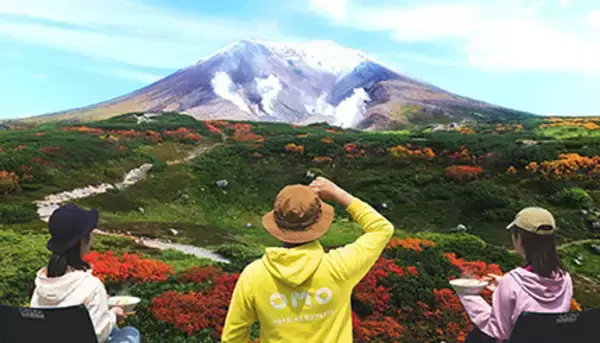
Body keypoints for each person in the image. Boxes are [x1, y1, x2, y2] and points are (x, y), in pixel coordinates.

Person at [221, 177, 394, 342]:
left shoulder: (254, 275)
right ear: (318, 223)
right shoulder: (339, 267)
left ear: (276, 223)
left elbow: (233, 337)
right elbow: (382, 229)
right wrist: (337, 193)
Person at [30, 204, 141, 343]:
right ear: (83, 240)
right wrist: (114, 315)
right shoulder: (92, 286)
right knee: (131, 333)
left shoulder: (40, 285)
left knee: (116, 331)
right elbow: (96, 335)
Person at [459, 207, 573, 343]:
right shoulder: (565, 279)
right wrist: (502, 286)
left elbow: (498, 331)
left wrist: (468, 295)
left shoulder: (512, 282)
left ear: (519, 238)